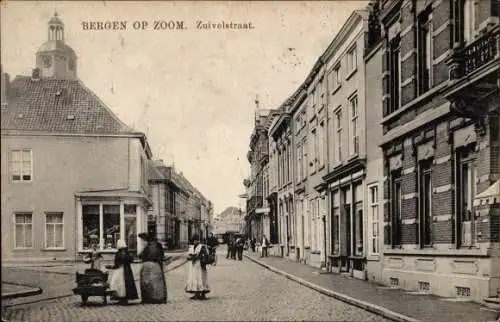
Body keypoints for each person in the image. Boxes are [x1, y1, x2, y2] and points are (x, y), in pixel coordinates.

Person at [138, 232, 167, 304]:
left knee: (147, 283)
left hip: (147, 265)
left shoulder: (147, 246)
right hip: (156, 265)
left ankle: (148, 298)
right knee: (156, 283)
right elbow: (162, 255)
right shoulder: (158, 245)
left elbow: (141, 255)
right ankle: (158, 298)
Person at [108, 240, 139, 305]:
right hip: (126, 270)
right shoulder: (127, 253)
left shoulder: (118, 253)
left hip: (120, 270)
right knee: (125, 284)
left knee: (119, 284)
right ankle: (125, 298)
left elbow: (116, 263)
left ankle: (121, 298)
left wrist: (112, 267)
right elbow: (131, 260)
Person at [185, 234, 210, 300]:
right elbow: (189, 255)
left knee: (201, 278)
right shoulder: (191, 247)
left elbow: (205, 255)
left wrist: (197, 257)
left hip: (200, 265)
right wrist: (190, 257)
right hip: (194, 265)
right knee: (194, 278)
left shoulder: (202, 246)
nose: (194, 242)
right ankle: (196, 293)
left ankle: (203, 294)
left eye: (195, 240)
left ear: (198, 240)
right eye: (193, 240)